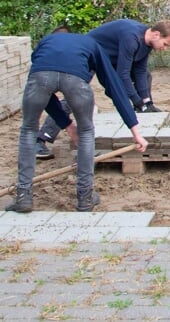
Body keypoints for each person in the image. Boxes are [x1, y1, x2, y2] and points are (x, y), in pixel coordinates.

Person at [5, 32, 149, 214]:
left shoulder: (46, 42)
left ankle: (23, 197)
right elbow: (114, 87)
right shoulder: (91, 43)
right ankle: (85, 197)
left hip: (40, 78)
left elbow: (42, 80)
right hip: (76, 81)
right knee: (86, 132)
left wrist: (67, 125)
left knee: (28, 130)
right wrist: (135, 131)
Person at [34, 19, 170, 160]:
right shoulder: (131, 38)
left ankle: (140, 109)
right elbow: (122, 74)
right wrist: (137, 100)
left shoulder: (146, 43)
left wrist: (147, 103)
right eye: (165, 43)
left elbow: (140, 72)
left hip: (107, 59)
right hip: (87, 56)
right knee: (74, 97)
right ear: (156, 35)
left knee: (146, 77)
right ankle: (41, 139)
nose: (165, 48)